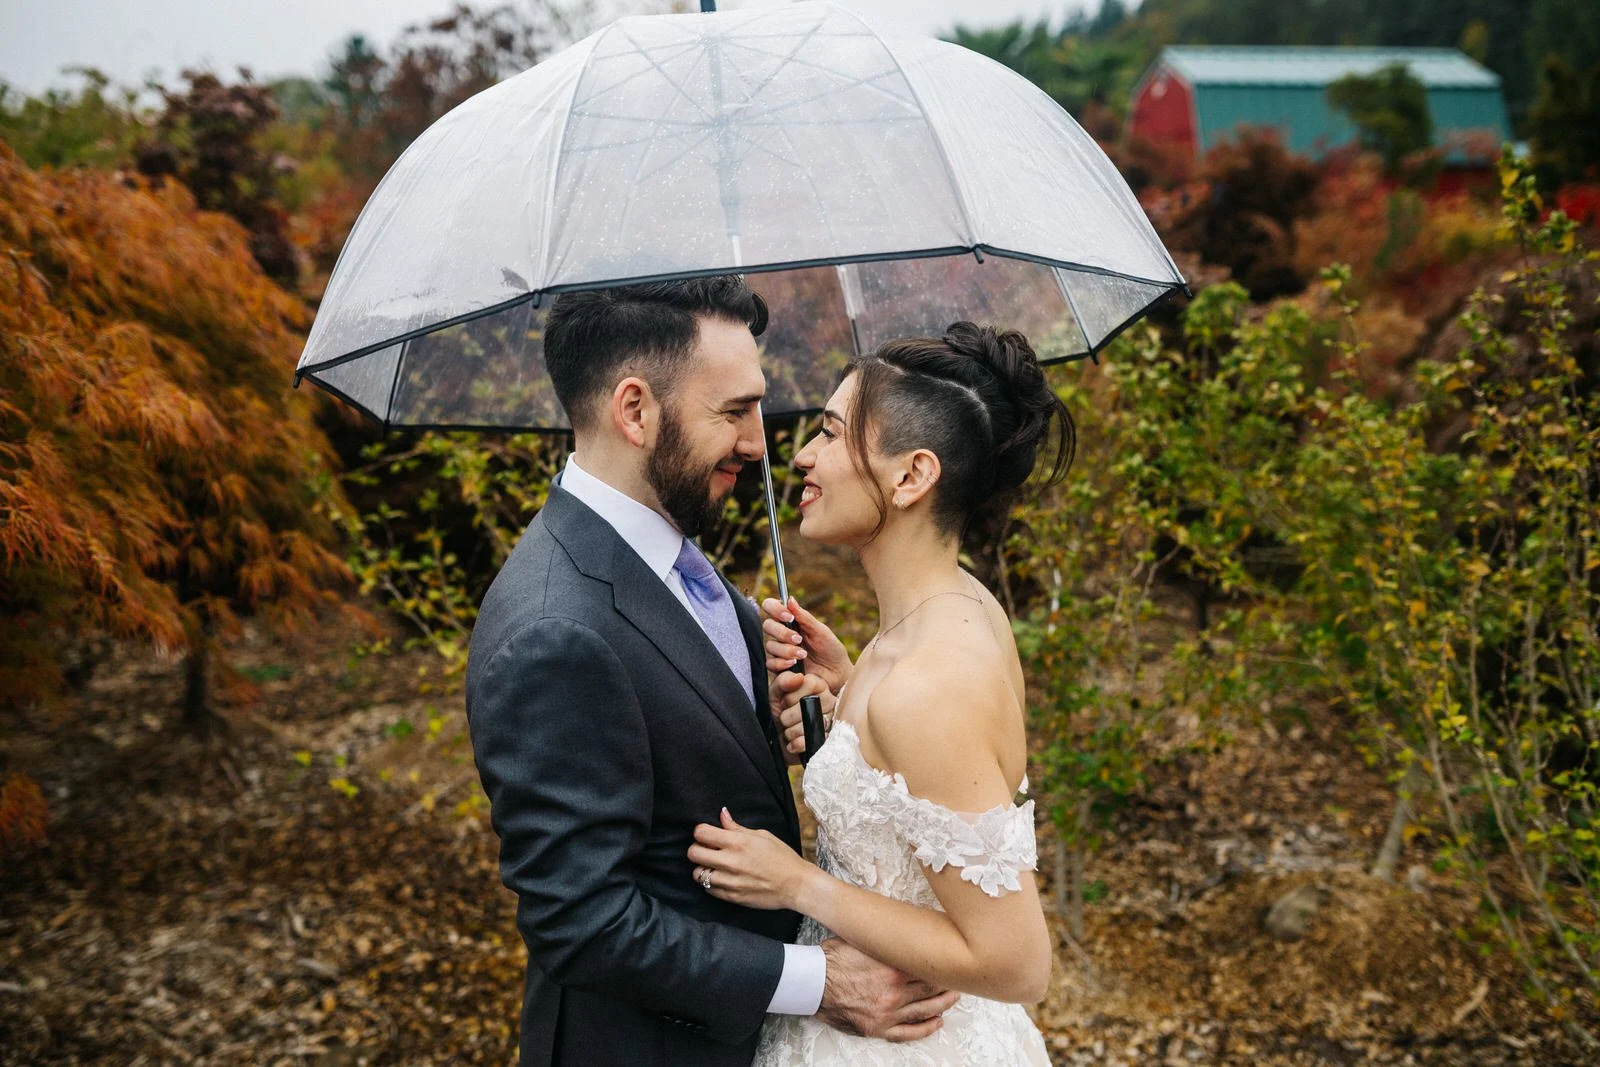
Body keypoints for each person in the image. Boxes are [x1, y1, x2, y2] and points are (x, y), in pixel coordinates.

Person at [464, 276, 958, 1067]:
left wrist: (796, 725)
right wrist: (819, 981)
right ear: (635, 410)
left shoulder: (668, 557)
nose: (760, 443)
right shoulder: (554, 631)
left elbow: (689, 751)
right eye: (733, 411)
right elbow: (581, 921)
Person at [686, 322, 1073, 1065]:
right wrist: (846, 708)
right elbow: (919, 798)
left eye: (831, 434)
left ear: (911, 476)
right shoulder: (964, 603)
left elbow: (1017, 963)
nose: (801, 455)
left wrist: (797, 883)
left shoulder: (925, 687)